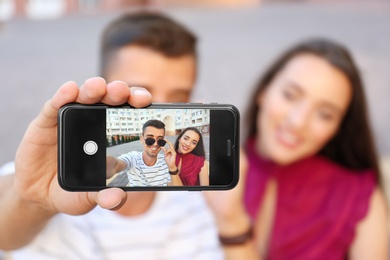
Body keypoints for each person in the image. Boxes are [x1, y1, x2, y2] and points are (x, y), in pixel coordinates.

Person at [0, 12, 225, 259]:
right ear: (107, 88)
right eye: (140, 92)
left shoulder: (196, 201)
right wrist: (31, 201)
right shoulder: (47, 169)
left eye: (178, 98)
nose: (160, 110)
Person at [239, 38, 388, 258]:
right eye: (290, 95)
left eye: (324, 114)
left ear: (338, 127)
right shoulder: (205, 173)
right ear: (264, 90)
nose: (298, 122)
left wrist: (231, 226)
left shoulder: (358, 197)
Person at [106, 119, 183, 187]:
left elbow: (177, 192)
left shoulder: (166, 161)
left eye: (160, 140)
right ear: (142, 139)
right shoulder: (132, 158)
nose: (155, 144)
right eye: (150, 139)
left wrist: (172, 167)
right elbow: (115, 164)